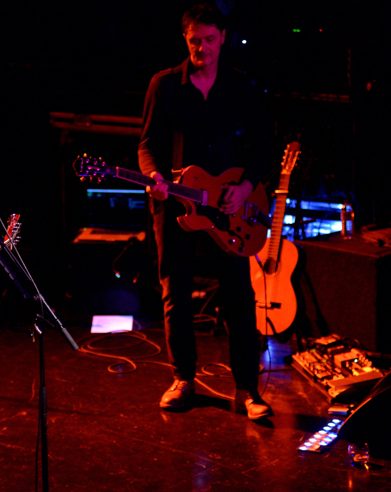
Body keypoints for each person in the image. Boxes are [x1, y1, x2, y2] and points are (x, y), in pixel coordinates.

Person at [138, 4, 273, 420]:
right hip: (176, 204)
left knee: (239, 297)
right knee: (175, 294)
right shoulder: (164, 85)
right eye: (195, 40)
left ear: (223, 38)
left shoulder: (240, 86)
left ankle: (248, 389)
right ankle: (183, 380)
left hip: (229, 208)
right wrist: (154, 176)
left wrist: (245, 188)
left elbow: (264, 148)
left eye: (210, 39)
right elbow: (146, 145)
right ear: (185, 39)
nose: (202, 48)